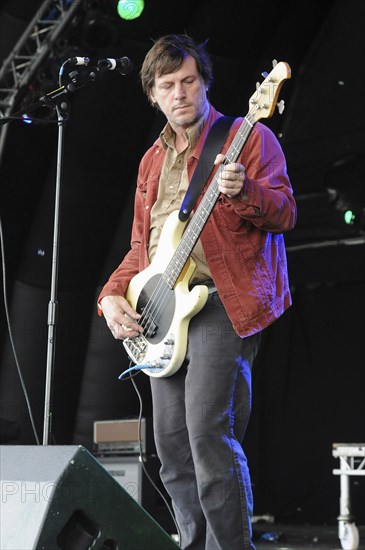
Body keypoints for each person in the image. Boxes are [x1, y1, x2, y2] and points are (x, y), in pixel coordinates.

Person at [97, 34, 296, 550]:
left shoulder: (246, 138)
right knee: (171, 446)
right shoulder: (149, 163)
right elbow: (142, 251)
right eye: (168, 85)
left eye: (189, 81)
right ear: (153, 95)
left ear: (204, 83)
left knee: (208, 433)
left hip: (222, 301)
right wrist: (111, 295)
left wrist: (244, 190)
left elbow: (285, 212)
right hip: (165, 309)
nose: (180, 92)